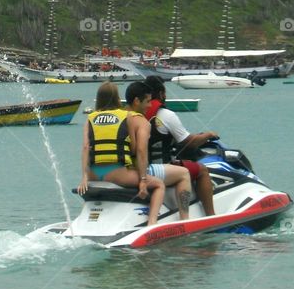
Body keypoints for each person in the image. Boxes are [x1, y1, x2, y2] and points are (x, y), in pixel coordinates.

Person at [78, 81, 167, 222]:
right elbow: (135, 148)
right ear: (117, 98)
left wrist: (84, 177)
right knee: (159, 184)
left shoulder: (90, 118)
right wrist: (143, 179)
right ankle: (152, 224)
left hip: (93, 174)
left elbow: (85, 147)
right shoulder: (126, 117)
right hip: (117, 174)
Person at [144, 75, 216, 216]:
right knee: (202, 170)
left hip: (141, 168)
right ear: (160, 93)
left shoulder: (136, 113)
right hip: (161, 168)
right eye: (164, 92)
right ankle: (211, 215)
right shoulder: (166, 115)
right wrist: (208, 135)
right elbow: (189, 142)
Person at [122, 81, 193, 223]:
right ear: (136, 101)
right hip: (137, 170)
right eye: (147, 101)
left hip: (116, 170)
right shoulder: (140, 121)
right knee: (184, 173)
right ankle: (185, 220)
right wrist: (143, 179)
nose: (149, 106)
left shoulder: (118, 116)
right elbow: (140, 151)